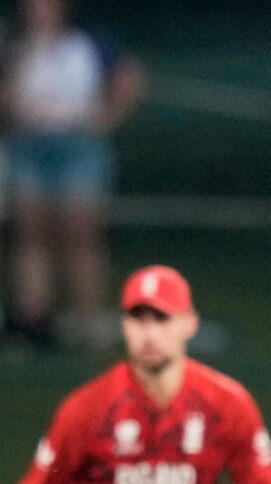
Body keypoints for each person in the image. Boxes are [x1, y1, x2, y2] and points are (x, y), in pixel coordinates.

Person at [19, 265, 271, 483]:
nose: (150, 335)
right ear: (124, 326)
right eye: (138, 320)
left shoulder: (227, 404)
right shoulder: (87, 409)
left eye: (162, 319)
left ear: (190, 323)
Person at [0, 0, 144, 348]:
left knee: (80, 235)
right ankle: (33, 320)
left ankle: (87, 321)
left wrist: (106, 118)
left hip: (78, 143)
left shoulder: (89, 42)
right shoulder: (15, 46)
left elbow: (129, 78)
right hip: (28, 142)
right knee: (31, 234)